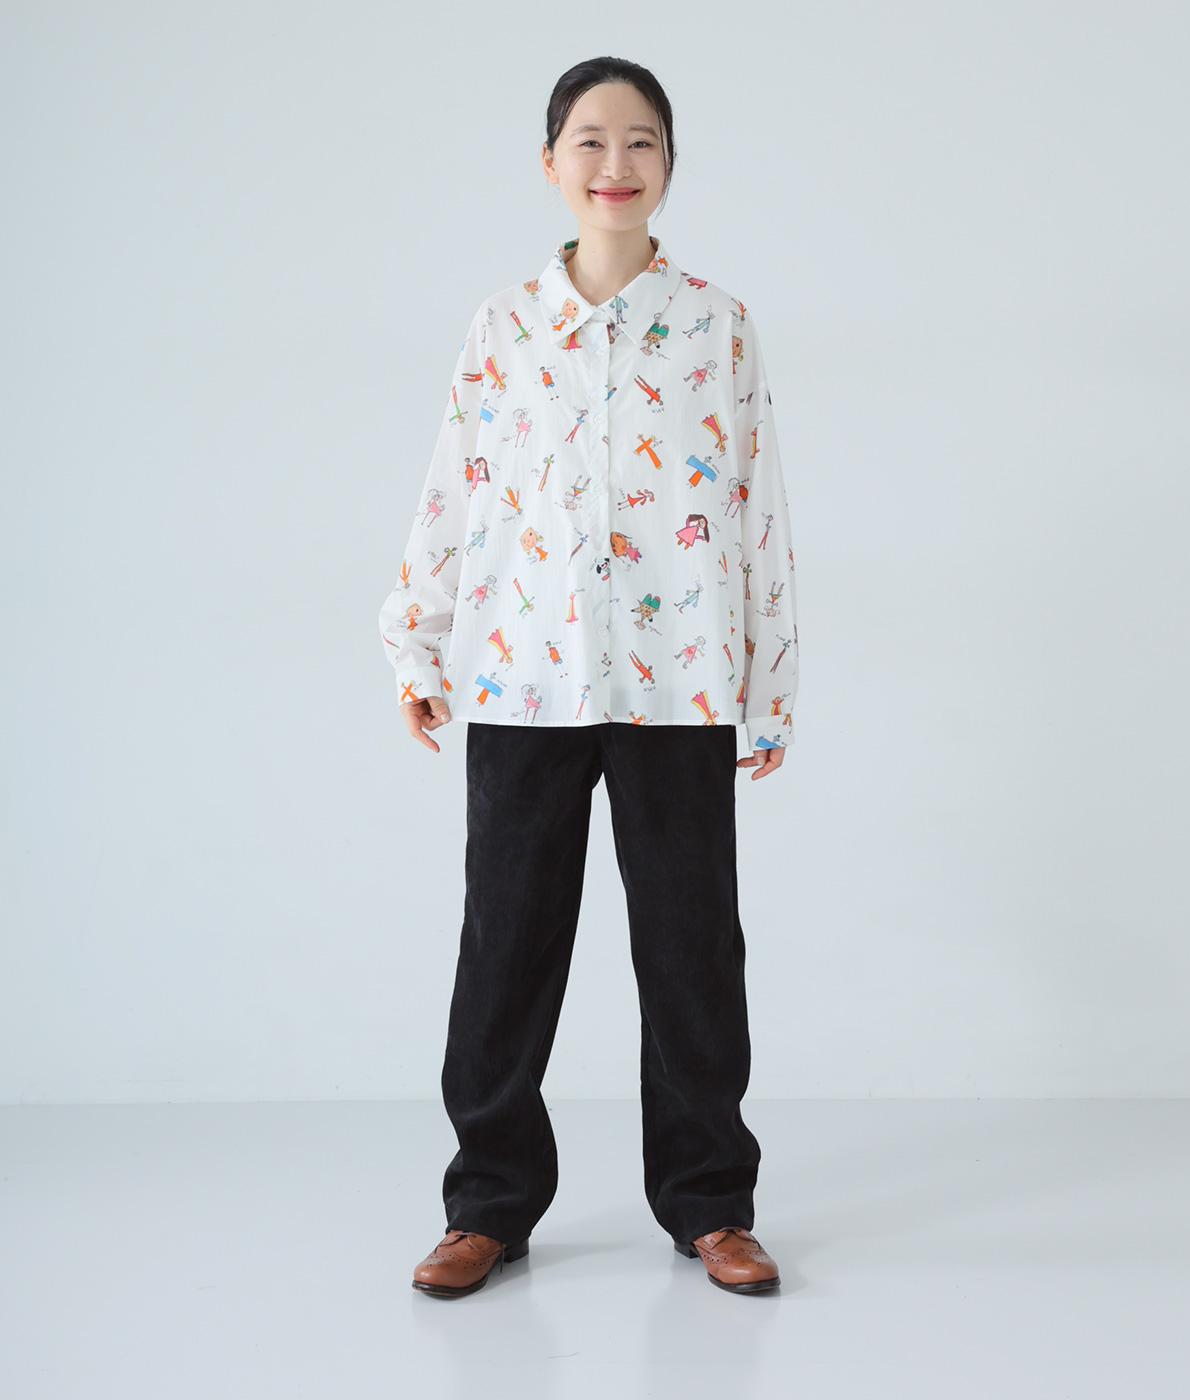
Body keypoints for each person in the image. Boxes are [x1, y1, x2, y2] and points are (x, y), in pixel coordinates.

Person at [378, 56, 798, 1299]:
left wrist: (769, 682)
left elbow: (757, 505)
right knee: (505, 944)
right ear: (551, 161)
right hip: (524, 678)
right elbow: (455, 487)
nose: (617, 165)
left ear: (670, 162)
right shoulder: (503, 326)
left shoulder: (717, 324)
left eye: (642, 141)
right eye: (592, 141)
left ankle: (712, 1202)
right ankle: (487, 1203)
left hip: (680, 682)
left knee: (691, 949)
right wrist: (416, 638)